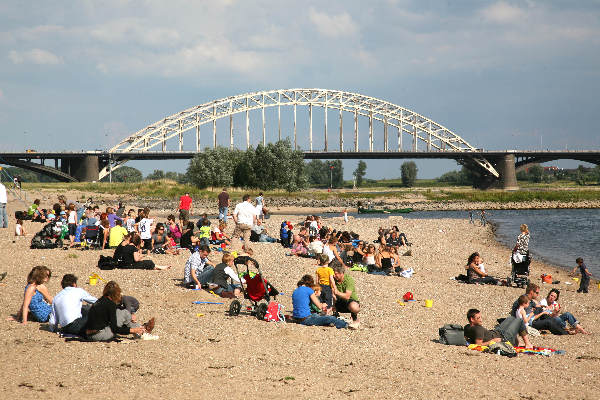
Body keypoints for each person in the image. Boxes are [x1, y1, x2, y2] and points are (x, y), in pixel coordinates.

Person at [85, 281, 154, 341]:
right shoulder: (110, 304)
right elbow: (115, 329)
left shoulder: (101, 300)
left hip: (89, 333)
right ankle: (141, 331)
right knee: (124, 313)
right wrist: (132, 330)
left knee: (121, 313)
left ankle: (140, 330)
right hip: (98, 335)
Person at [464, 308, 532, 348]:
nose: (481, 319)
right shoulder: (478, 329)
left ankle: (517, 342)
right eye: (478, 318)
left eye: (480, 317)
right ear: (472, 319)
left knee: (511, 318)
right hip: (504, 337)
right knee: (519, 320)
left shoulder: (467, 327)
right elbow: (478, 345)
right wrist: (493, 341)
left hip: (497, 332)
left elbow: (466, 338)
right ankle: (527, 343)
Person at [331, 260, 360, 326]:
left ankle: (354, 318)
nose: (334, 276)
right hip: (338, 301)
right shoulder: (333, 280)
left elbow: (347, 296)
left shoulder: (348, 279)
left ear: (341, 273)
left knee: (354, 307)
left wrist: (337, 292)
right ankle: (335, 315)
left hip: (349, 301)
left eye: (336, 274)